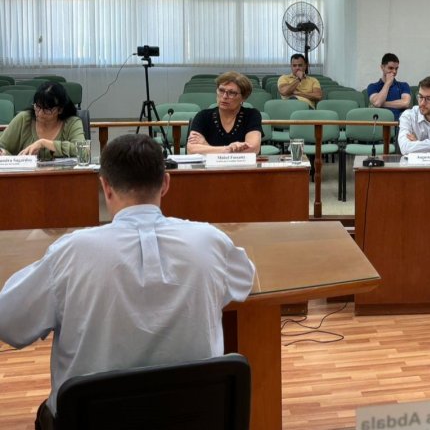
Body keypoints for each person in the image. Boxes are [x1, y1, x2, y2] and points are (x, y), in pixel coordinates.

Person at [0, 134, 256, 428]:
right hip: (192, 417)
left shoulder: (71, 252)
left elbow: (8, 322)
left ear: (105, 187)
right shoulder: (209, 241)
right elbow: (243, 281)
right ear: (166, 183)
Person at [0, 81, 85, 159]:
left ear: (60, 109)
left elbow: (82, 150)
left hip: (62, 175)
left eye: (47, 110)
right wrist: (5, 154)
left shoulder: (72, 122)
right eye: (37, 107)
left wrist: (43, 143)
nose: (40, 113)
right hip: (26, 174)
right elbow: (2, 146)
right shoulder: (23, 119)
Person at [187, 71, 262, 154]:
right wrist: (228, 149)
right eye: (221, 90)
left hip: (242, 167)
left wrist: (206, 146)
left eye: (232, 93)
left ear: (243, 97)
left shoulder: (251, 115)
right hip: (209, 167)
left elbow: (253, 149)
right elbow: (192, 150)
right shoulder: (203, 116)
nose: (224, 96)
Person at [367, 53, 411, 121]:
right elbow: (377, 102)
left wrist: (382, 104)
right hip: (380, 123)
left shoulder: (403, 85)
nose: (394, 71)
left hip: (399, 124)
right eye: (390, 68)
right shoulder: (372, 86)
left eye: (396, 69)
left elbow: (405, 103)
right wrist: (387, 83)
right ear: (382, 67)